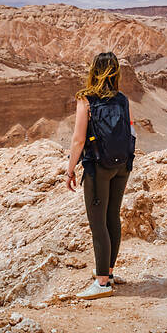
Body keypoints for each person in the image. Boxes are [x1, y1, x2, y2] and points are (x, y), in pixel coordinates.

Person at [65, 52, 135, 300]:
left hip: (98, 168)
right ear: (116, 72)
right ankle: (109, 272)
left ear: (93, 71)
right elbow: (131, 130)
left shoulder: (86, 100)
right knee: (112, 218)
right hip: (122, 166)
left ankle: (102, 282)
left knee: (98, 224)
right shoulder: (122, 99)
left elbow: (78, 139)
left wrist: (70, 168)